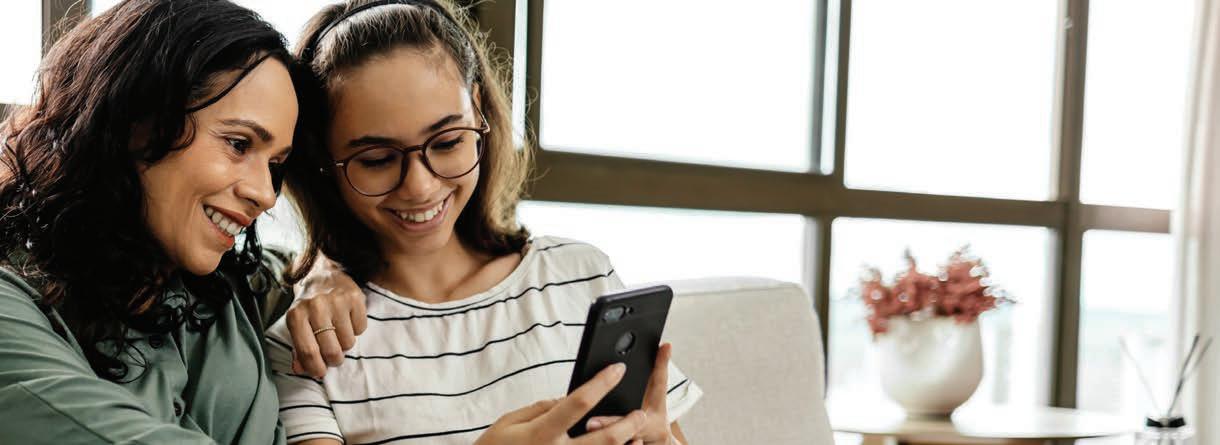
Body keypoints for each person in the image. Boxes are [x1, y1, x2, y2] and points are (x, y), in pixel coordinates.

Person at [267, 1, 703, 444]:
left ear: (477, 111)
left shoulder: (579, 275)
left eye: (447, 141)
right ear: (323, 156)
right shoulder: (311, 343)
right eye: (377, 159)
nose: (420, 186)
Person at [0, 1, 364, 443]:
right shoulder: (11, 306)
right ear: (134, 117)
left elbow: (298, 266)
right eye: (238, 143)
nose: (266, 194)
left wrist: (323, 274)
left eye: (274, 164)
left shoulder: (234, 286)